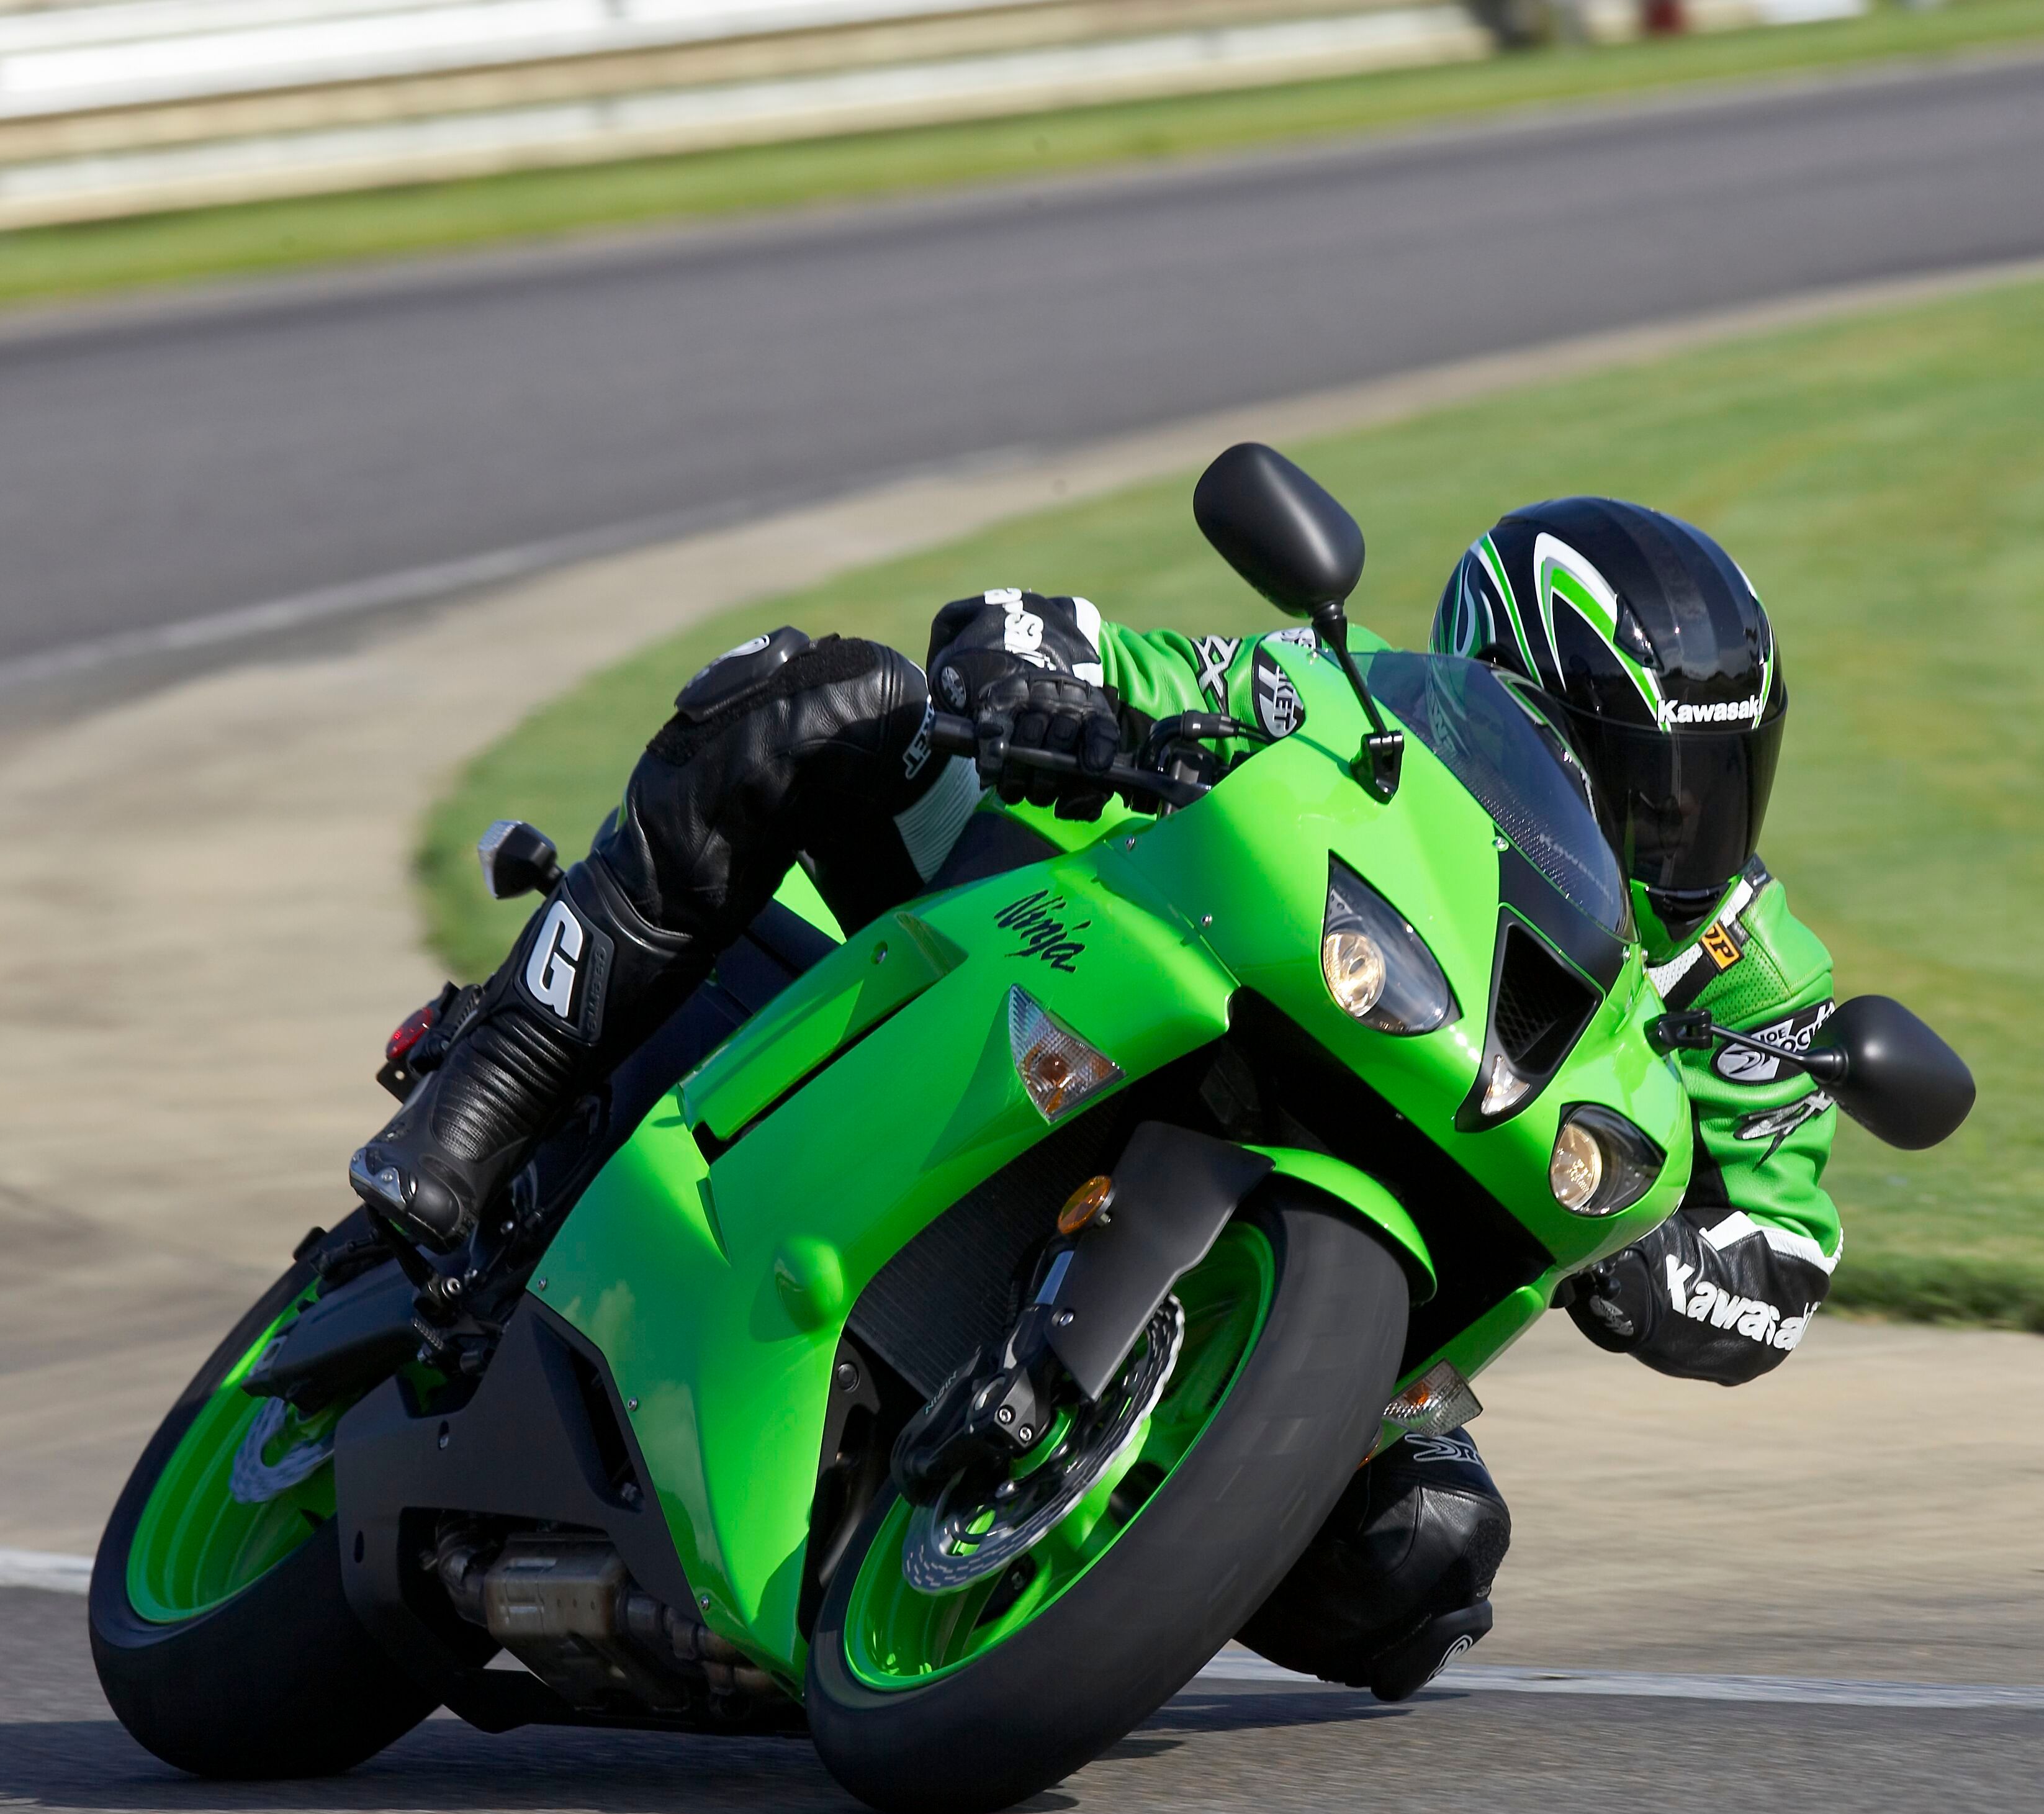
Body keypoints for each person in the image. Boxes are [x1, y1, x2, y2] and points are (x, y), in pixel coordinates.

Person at [348, 497, 1837, 1702]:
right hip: (1112, 981)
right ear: (1506, 698)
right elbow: (1056, 638)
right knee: (822, 698)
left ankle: (1021, 1569)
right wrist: (1030, 683)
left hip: (1399, 1253)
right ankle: (494, 1088)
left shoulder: (1749, 973)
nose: (1669, 832)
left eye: (1710, 789)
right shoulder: (1343, 698)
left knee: (1428, 1560)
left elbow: (1788, 1246)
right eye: (1639, 784)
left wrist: (1665, 1267)